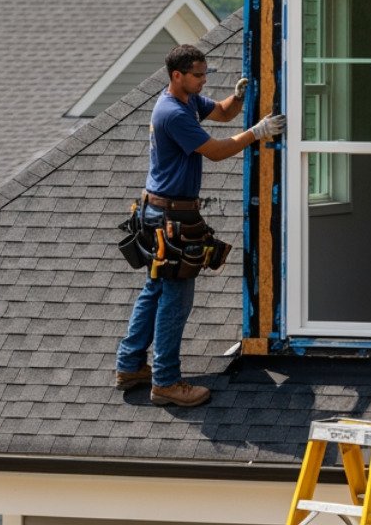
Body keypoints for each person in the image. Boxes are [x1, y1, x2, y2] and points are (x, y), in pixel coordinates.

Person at [113, 43, 285, 408]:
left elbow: (221, 113)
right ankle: (166, 382)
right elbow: (217, 151)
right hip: (170, 218)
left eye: (205, 74)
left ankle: (130, 366)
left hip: (162, 212)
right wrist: (257, 132)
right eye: (198, 75)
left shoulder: (188, 101)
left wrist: (238, 98)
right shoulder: (172, 112)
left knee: (155, 291)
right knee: (176, 300)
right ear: (177, 76)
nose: (203, 80)